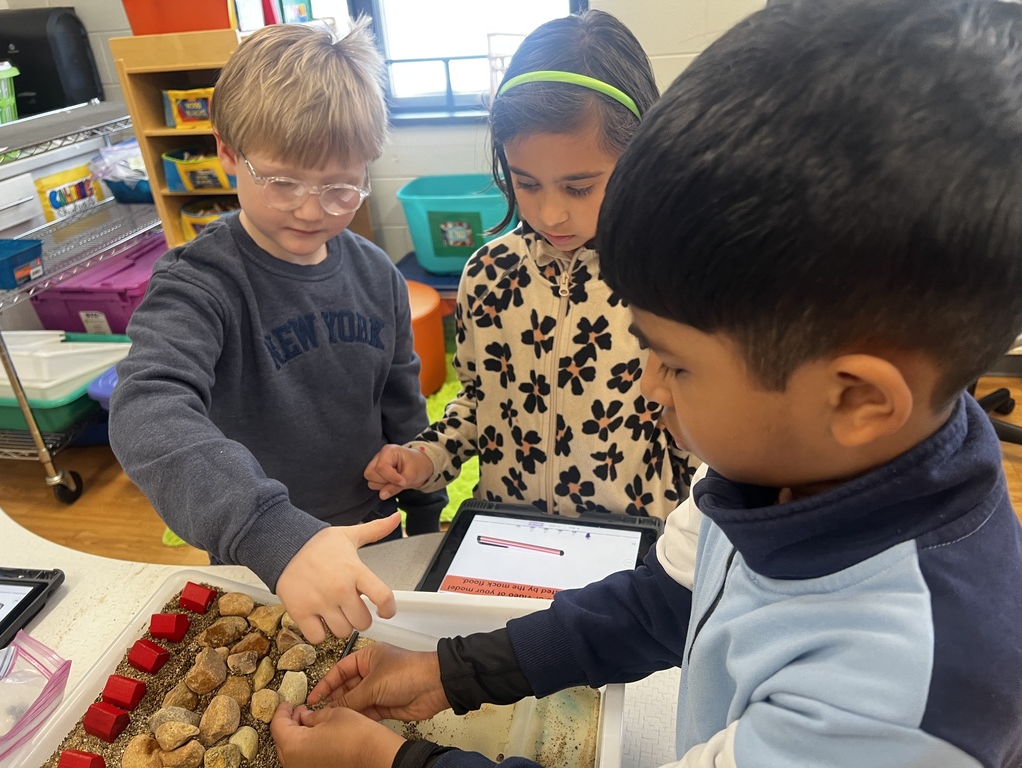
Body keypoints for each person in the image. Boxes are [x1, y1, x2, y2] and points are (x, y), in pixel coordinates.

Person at [270, 0, 1022, 764]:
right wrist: (448, 673)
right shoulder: (773, 472)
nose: (651, 388)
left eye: (677, 363)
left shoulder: (902, 705)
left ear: (857, 397)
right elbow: (662, 602)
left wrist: (388, 760)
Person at [108, 21, 446, 644]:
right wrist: (270, 533)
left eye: (340, 187)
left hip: (375, 539)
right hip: (262, 554)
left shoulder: (377, 275)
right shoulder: (200, 282)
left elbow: (405, 409)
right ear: (229, 153)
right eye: (283, 182)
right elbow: (146, 410)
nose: (312, 209)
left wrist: (422, 494)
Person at [363, 10, 697, 521]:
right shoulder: (488, 275)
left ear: (640, 157)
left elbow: (703, 441)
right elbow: (478, 405)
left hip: (635, 547)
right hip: (511, 536)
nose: (550, 213)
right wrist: (425, 457)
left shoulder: (672, 280)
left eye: (580, 187)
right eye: (526, 182)